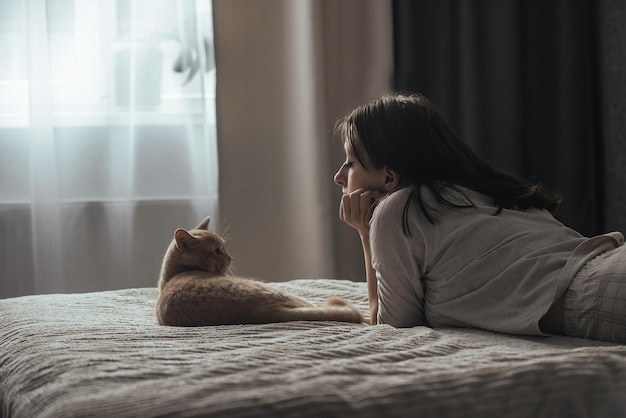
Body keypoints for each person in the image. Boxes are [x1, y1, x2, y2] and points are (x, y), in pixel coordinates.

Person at [333, 93, 626, 344]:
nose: (338, 177)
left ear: (388, 176)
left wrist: (365, 232)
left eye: (350, 163)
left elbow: (390, 327)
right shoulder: (481, 191)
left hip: (600, 296)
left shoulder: (397, 210)